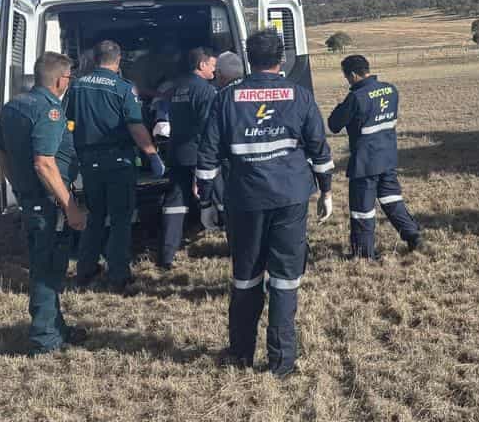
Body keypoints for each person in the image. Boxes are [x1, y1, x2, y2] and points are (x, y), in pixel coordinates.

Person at [195, 30, 334, 376]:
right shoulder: (299, 96)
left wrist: (206, 202)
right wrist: (327, 190)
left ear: (247, 58)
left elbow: (208, 155)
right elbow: (319, 150)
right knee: (285, 281)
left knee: (246, 278)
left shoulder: (227, 98)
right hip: (291, 198)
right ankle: (282, 363)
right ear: (281, 58)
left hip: (245, 200)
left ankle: (241, 353)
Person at [0, 51, 89, 354]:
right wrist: (71, 207)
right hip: (49, 203)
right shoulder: (50, 111)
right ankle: (45, 338)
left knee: (44, 264)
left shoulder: (13, 107)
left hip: (32, 200)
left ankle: (55, 327)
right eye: (69, 77)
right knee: (47, 269)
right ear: (61, 79)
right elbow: (44, 163)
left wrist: (19, 188)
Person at [69, 40, 165, 292]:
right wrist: (152, 154)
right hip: (118, 162)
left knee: (95, 216)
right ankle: (118, 274)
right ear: (118, 59)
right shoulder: (123, 89)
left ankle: (86, 269)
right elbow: (135, 125)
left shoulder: (76, 85)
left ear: (95, 58)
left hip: (89, 162)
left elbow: (68, 122)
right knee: (121, 218)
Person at [328, 54, 421, 259]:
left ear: (352, 75)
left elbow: (334, 125)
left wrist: (340, 106)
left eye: (347, 77)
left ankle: (363, 254)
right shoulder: (391, 90)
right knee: (392, 199)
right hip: (387, 157)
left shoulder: (356, 97)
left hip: (365, 163)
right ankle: (412, 234)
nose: (348, 81)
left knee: (362, 210)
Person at [158, 47, 218, 269]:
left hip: (176, 153)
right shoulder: (206, 91)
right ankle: (236, 248)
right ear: (202, 65)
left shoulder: (177, 88)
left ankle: (166, 255)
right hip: (197, 155)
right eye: (212, 64)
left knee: (175, 203)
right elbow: (207, 129)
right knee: (221, 200)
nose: (215, 69)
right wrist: (206, 163)